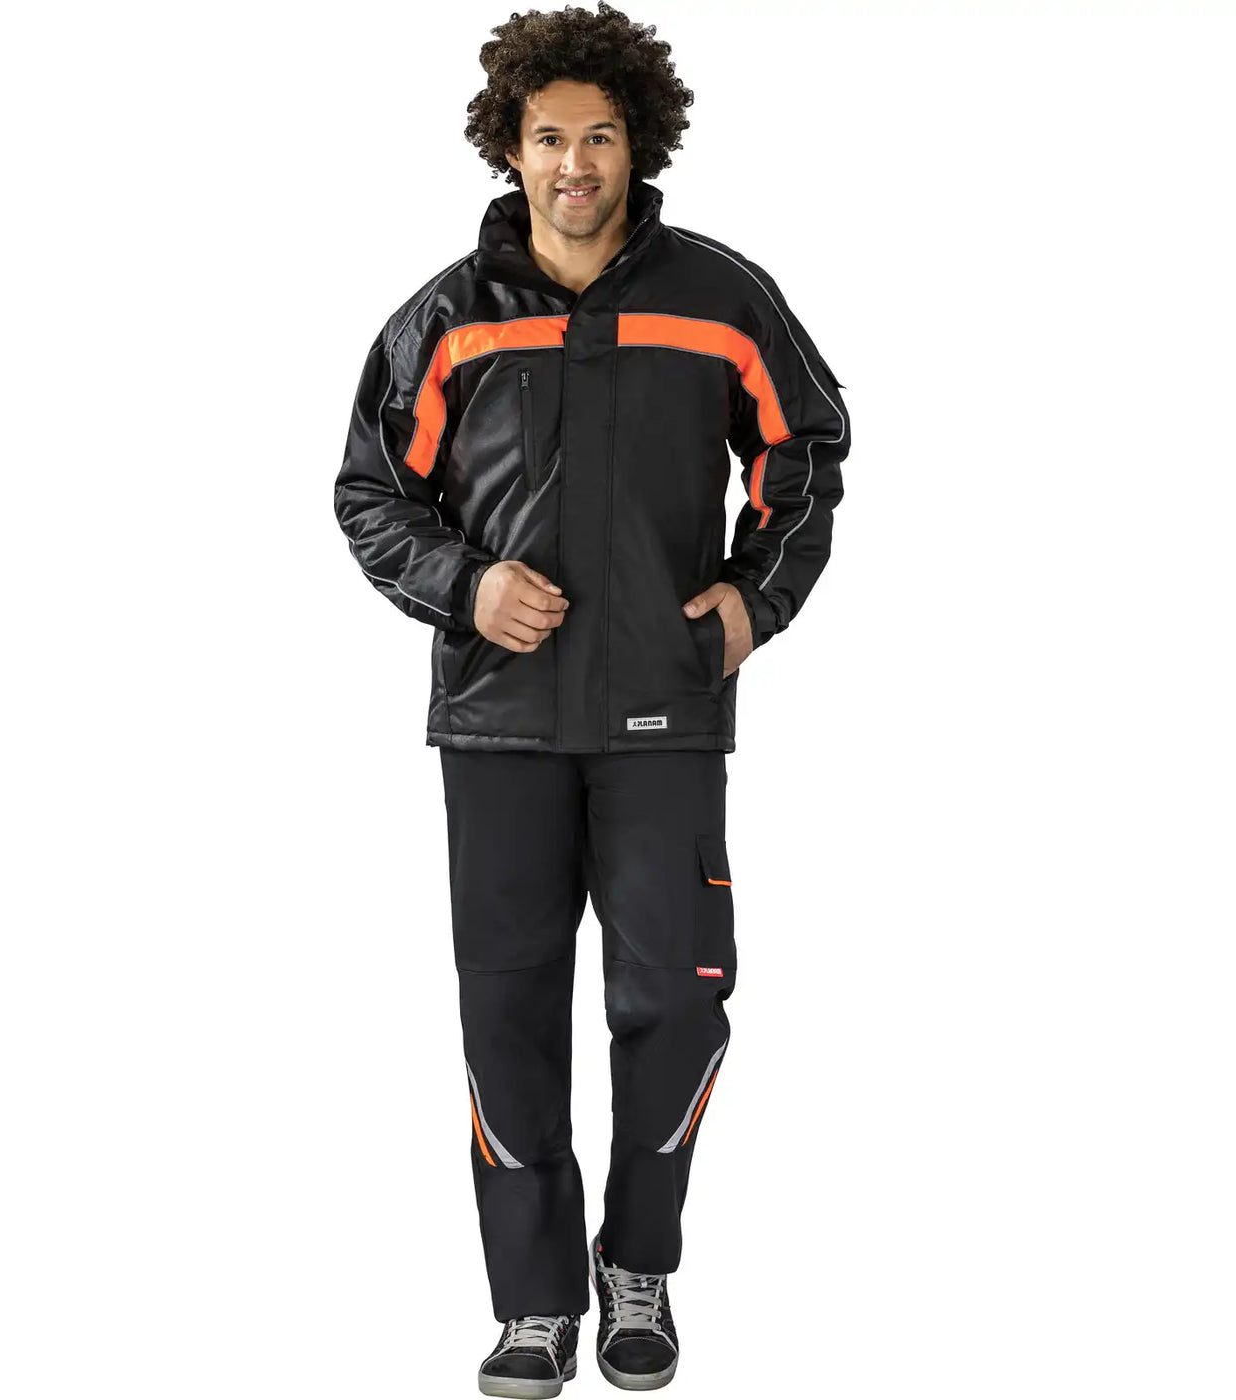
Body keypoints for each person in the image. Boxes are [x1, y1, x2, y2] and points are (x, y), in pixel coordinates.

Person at [333, 5, 850, 1393]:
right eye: (549, 136)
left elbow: (807, 453)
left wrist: (753, 601)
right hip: (498, 724)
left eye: (601, 136)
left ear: (640, 144)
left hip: (664, 719)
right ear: (509, 147)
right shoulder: (447, 317)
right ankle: (532, 1307)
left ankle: (638, 1269)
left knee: (677, 1003)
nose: (575, 163)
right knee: (507, 1015)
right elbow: (371, 492)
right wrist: (464, 586)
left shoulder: (720, 298)